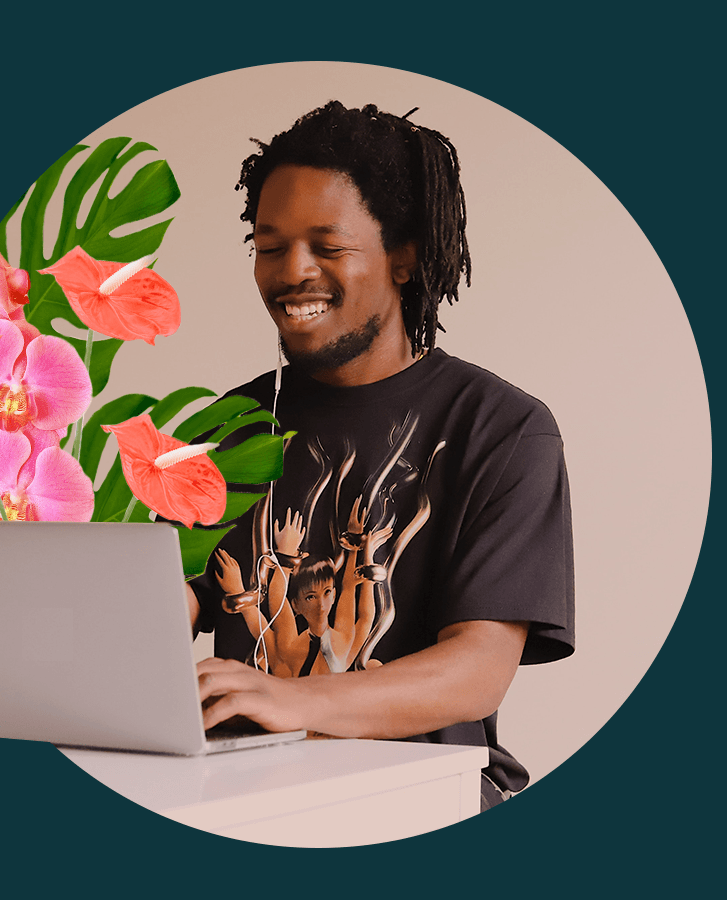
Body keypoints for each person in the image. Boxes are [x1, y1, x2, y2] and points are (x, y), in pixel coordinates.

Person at [186, 101, 575, 811]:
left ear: (405, 258)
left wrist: (291, 700)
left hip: (428, 801)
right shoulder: (228, 428)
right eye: (270, 246)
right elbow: (169, 604)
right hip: (243, 795)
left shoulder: (503, 429)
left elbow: (477, 670)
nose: (291, 271)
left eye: (326, 246)